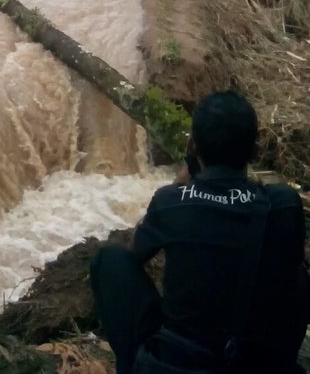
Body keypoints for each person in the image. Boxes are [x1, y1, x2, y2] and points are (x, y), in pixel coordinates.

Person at [90, 91, 309, 374]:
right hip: (253, 361)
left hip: (177, 363)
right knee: (298, 276)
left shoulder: (170, 202)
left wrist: (182, 185)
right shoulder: (282, 204)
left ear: (193, 146)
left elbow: (134, 253)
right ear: (254, 151)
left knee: (110, 259)